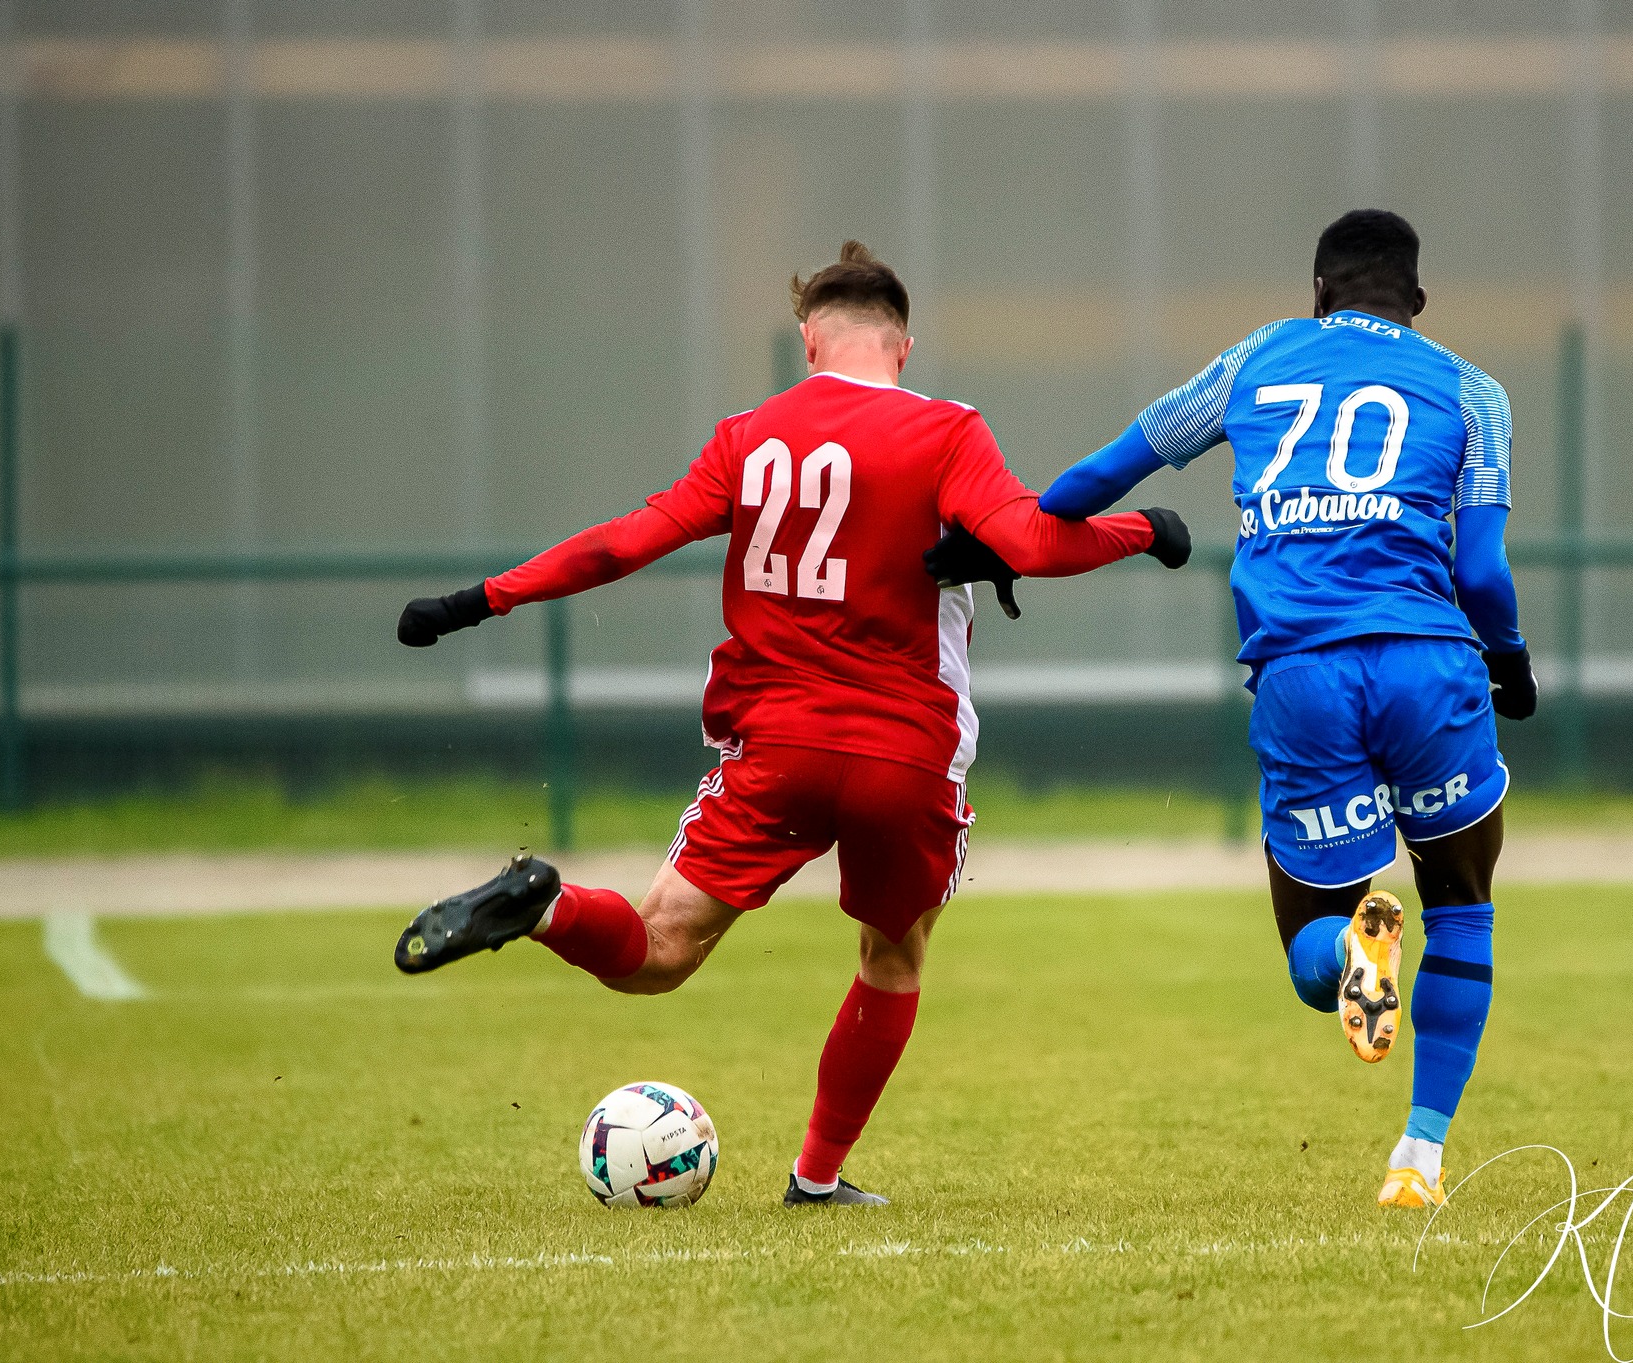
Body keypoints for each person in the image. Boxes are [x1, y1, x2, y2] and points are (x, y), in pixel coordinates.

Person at [388, 241, 1192, 1208]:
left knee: (656, 952)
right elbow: (1030, 541)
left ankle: (546, 906)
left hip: (777, 746)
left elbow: (623, 543)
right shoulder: (945, 431)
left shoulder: (748, 435)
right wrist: (1145, 531)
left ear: (809, 338)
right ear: (902, 344)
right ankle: (815, 1176)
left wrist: (482, 599)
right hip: (905, 752)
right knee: (894, 955)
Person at [1035, 210, 1536, 1208]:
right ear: (1417, 302)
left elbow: (1096, 478)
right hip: (1428, 661)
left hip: (1300, 667)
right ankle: (1419, 1160)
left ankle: (1352, 951)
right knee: (1462, 904)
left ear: (1317, 293)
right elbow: (1478, 568)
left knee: (1311, 944)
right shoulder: (1472, 389)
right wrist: (1510, 662)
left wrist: (1020, 525)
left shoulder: (1256, 358)